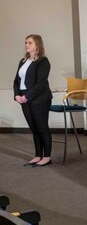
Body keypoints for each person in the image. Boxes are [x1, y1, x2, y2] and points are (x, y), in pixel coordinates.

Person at [13, 34, 52, 167]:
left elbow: (41, 84)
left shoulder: (43, 61)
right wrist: (17, 95)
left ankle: (46, 157)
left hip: (39, 98)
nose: (26, 45)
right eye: (25, 42)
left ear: (37, 45)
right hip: (24, 98)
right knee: (34, 128)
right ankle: (37, 155)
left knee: (42, 127)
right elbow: (16, 81)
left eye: (29, 42)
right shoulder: (22, 61)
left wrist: (27, 96)